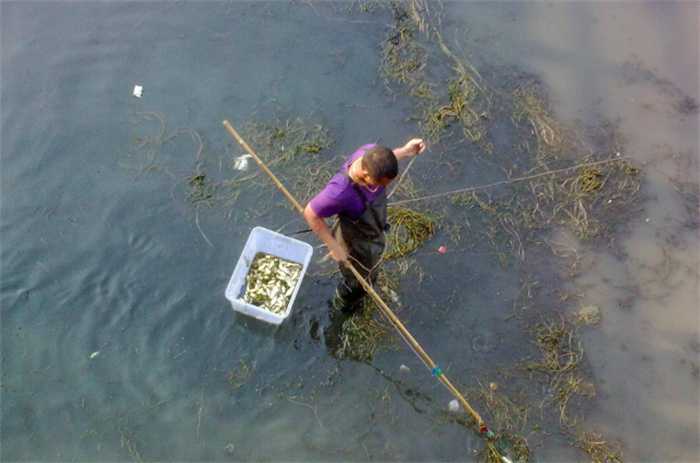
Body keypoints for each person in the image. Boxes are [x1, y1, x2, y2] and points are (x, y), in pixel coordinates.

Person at [303, 138, 426, 314]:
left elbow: (384, 160)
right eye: (380, 184)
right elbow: (311, 213)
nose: (384, 188)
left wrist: (406, 151)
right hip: (355, 241)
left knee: (368, 271)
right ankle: (344, 302)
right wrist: (334, 247)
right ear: (365, 175)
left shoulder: (370, 152)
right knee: (359, 279)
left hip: (372, 230)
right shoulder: (339, 192)